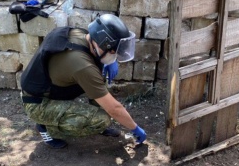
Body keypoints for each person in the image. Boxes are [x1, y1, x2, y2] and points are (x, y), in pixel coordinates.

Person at [20, 14, 147, 149]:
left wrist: (107, 61)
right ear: (103, 44)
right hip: (38, 103)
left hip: (51, 86)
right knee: (101, 120)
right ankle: (47, 128)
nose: (114, 56)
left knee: (98, 73)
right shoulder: (83, 66)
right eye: (112, 52)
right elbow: (115, 109)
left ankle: (58, 120)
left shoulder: (83, 35)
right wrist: (134, 128)